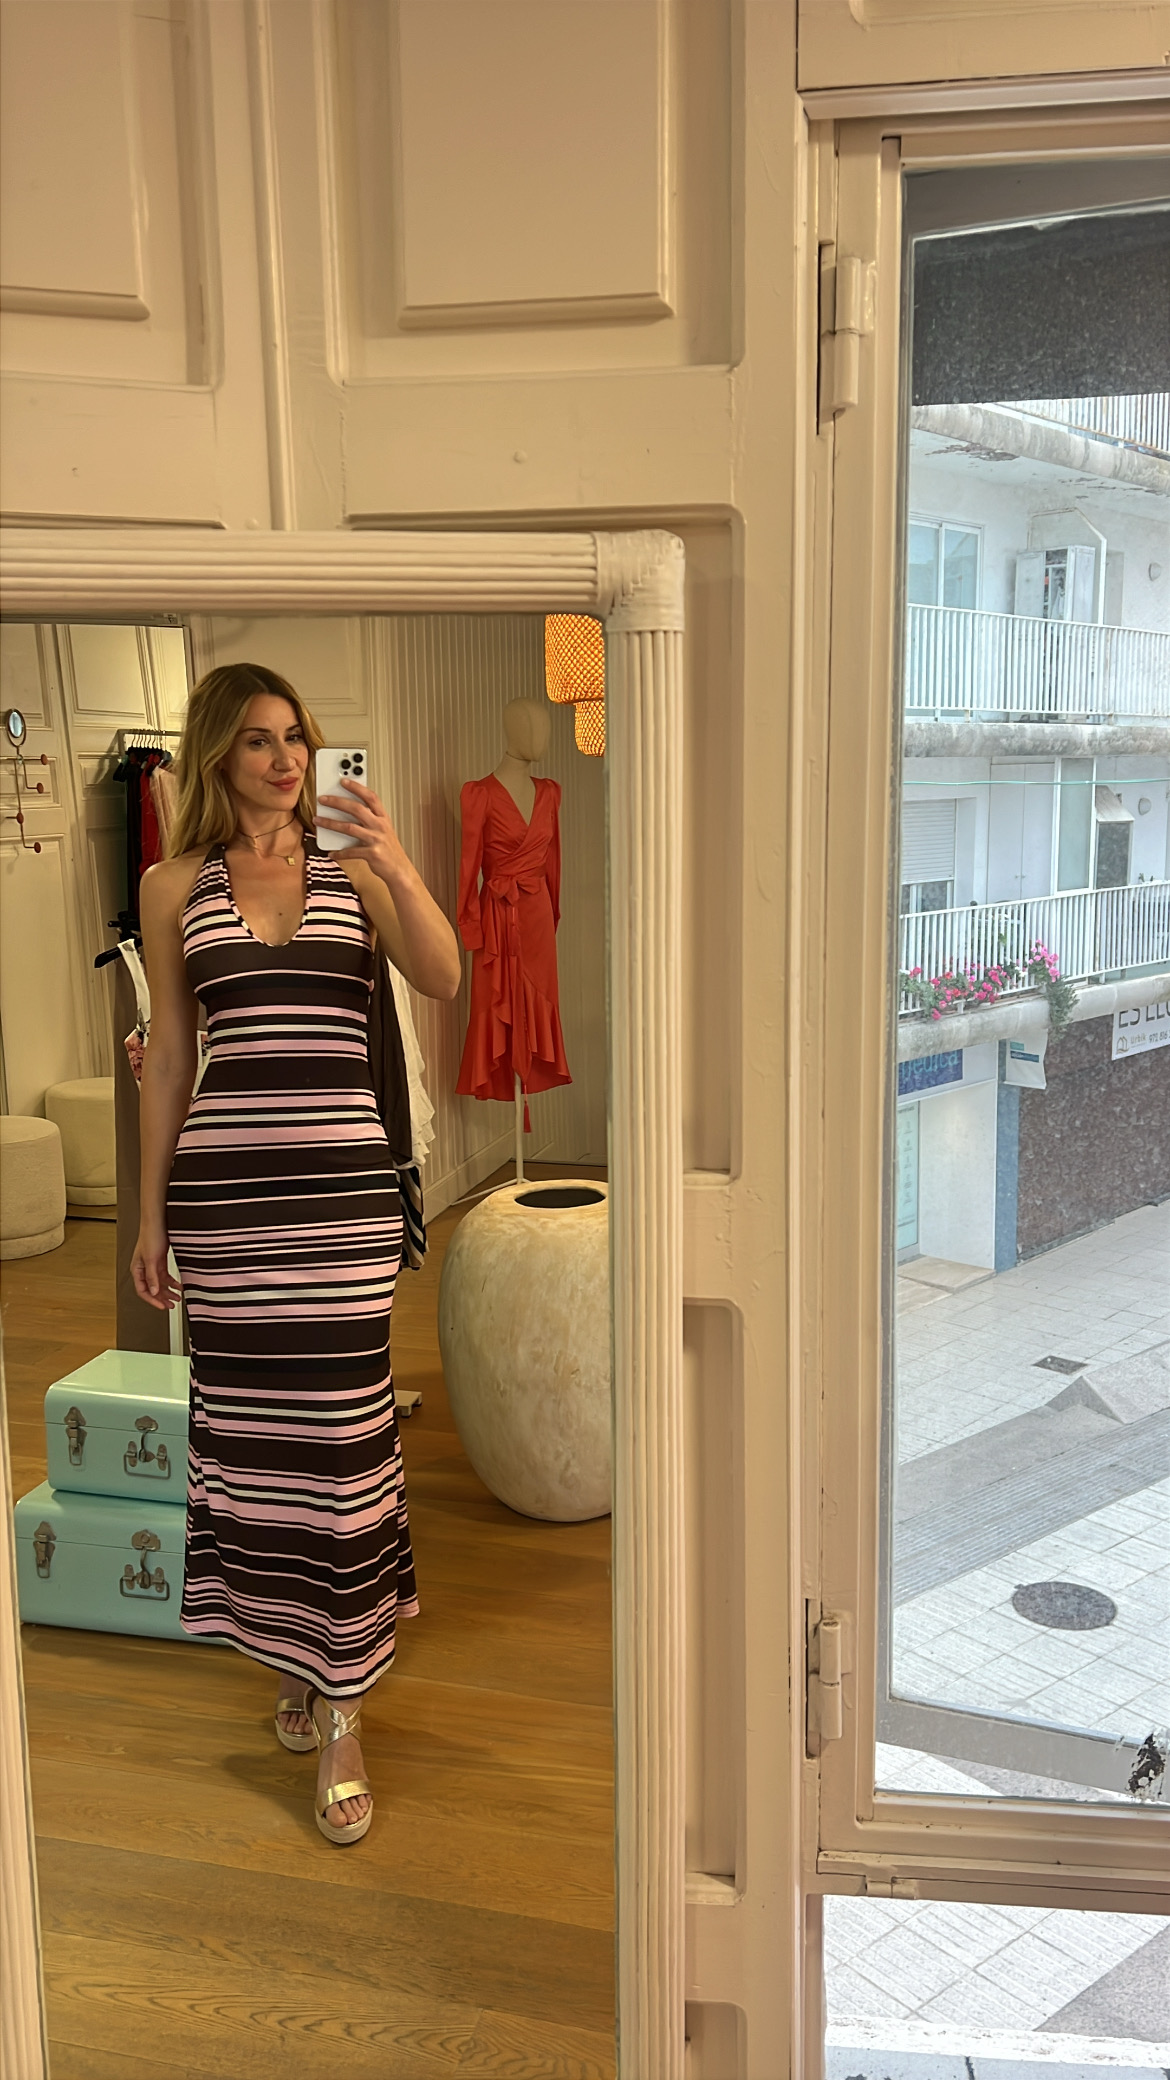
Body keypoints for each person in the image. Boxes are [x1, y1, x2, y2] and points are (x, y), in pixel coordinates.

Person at [132, 662, 460, 1844]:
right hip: (228, 1208)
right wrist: (149, 1214)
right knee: (254, 1448)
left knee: (342, 1447)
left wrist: (398, 863)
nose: (286, 760)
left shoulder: (354, 870)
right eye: (260, 740)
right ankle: (293, 1656)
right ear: (219, 753)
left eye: (298, 739)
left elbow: (444, 976)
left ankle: (346, 1708)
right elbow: (173, 1057)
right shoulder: (174, 885)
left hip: (342, 1210)